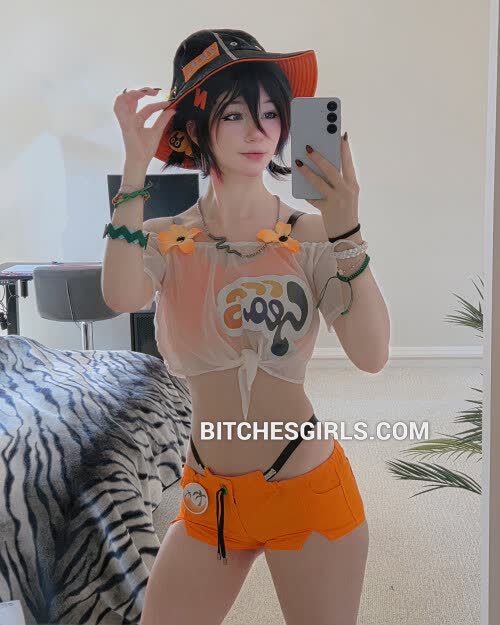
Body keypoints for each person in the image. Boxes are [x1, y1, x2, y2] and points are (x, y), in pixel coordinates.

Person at [105, 28, 378, 625]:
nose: (259, 132)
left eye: (271, 113)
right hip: (209, 498)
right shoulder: (165, 240)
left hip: (304, 488)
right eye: (234, 114)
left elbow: (372, 354)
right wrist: (134, 168)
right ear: (198, 127)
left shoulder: (311, 234)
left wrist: (347, 232)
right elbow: (122, 294)